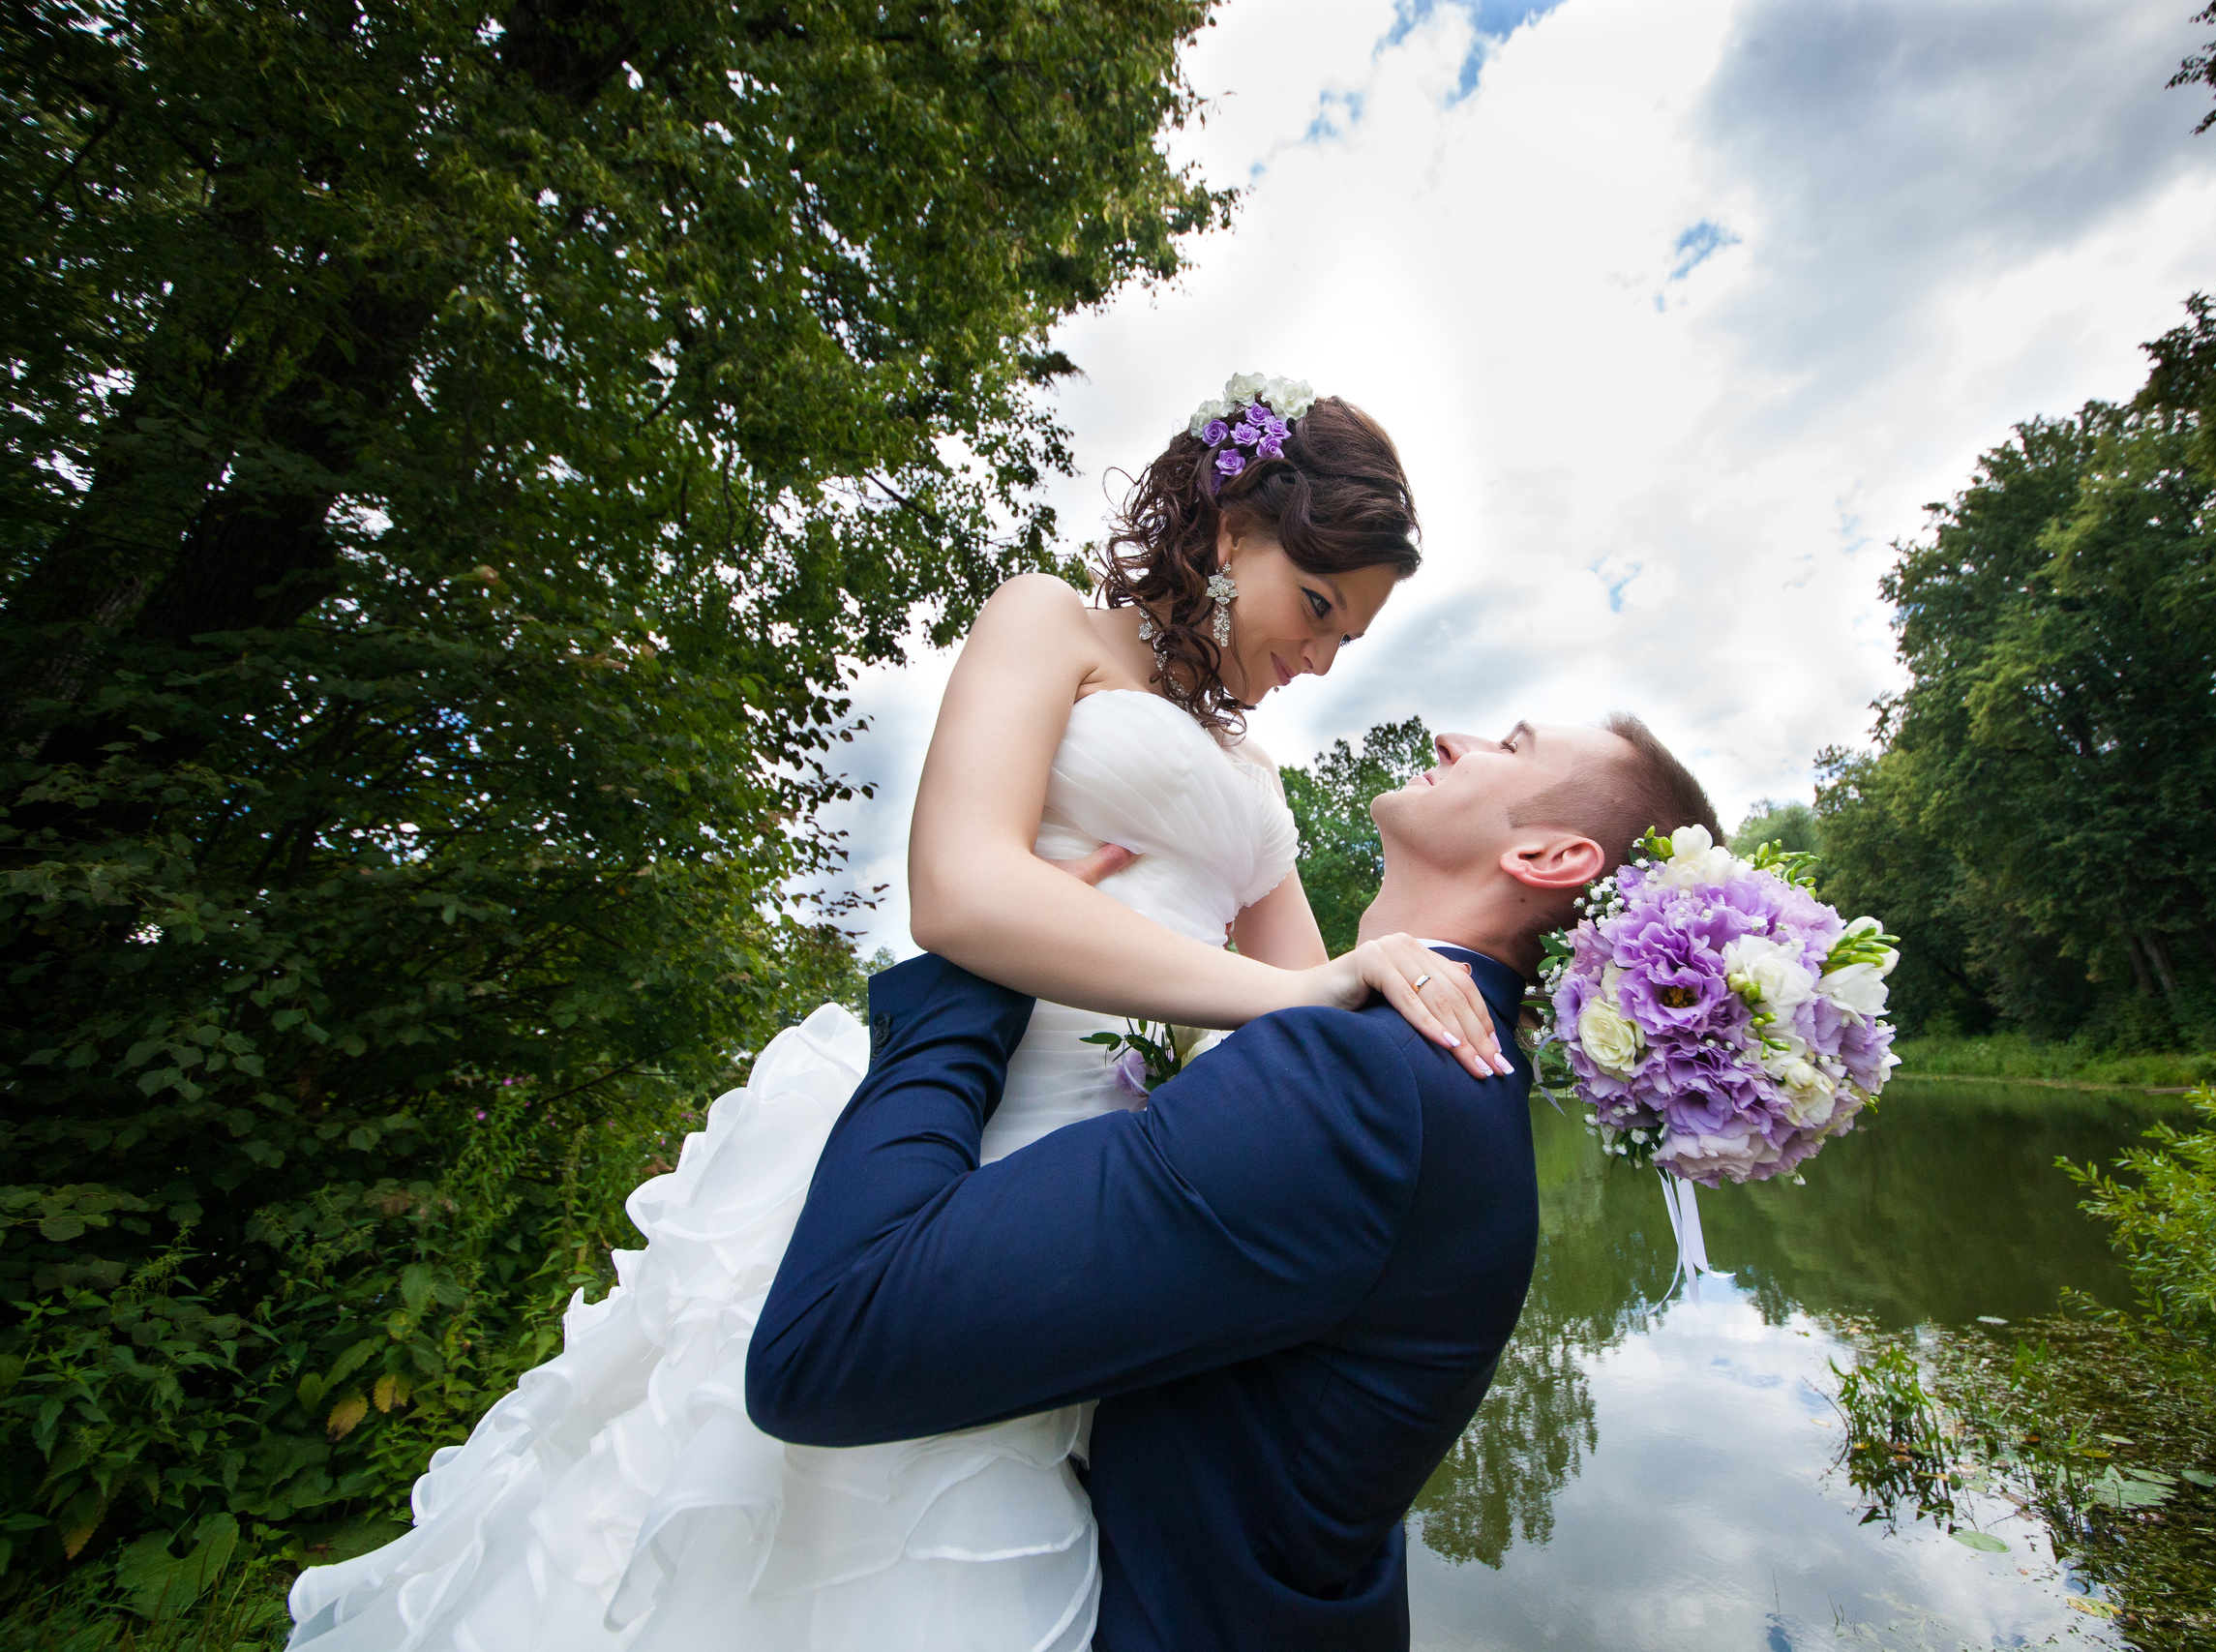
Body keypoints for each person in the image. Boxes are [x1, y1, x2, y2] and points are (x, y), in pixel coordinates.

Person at [284, 375, 1501, 1652]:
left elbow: (1306, 1029)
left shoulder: (1257, 781)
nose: (1316, 656)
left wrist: (1406, 991)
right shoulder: (1050, 625)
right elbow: (961, 890)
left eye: (1344, 642)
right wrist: (1291, 985)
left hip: (1093, 1201)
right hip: (946, 1123)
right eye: (1317, 605)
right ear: (1234, 527)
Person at [746, 712, 1724, 1651]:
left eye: (1507, 746)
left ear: (1550, 859)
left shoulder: (1363, 1090)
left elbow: (828, 1339)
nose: (1450, 740)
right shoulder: (1447, 1086)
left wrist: (980, 965)